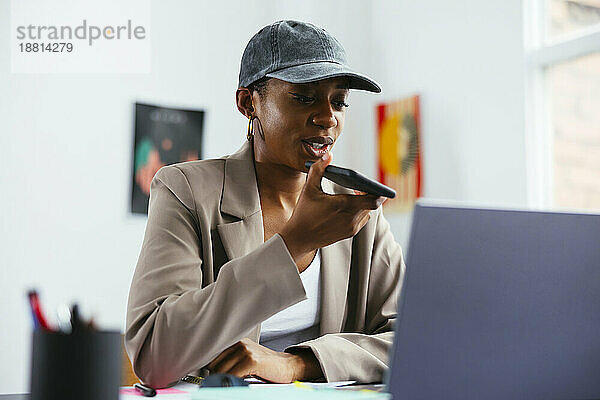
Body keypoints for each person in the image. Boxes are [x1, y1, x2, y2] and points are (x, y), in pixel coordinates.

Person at [125, 20, 405, 389]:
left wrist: (295, 363)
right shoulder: (187, 190)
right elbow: (153, 354)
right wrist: (292, 246)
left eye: (338, 101)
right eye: (304, 96)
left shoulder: (358, 212)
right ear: (248, 103)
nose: (328, 117)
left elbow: (411, 340)